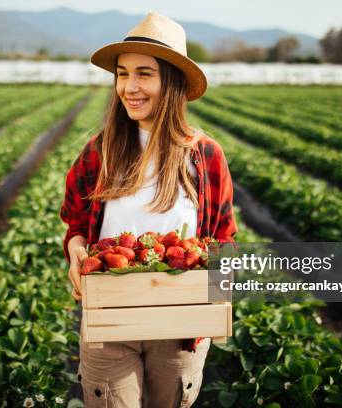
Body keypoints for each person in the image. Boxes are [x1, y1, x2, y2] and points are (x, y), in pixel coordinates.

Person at [60, 11, 237, 408]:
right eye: (123, 74)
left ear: (171, 82)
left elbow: (223, 236)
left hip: (180, 325)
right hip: (110, 320)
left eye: (144, 74)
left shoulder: (203, 155)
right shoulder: (99, 151)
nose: (130, 87)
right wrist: (75, 249)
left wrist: (220, 290)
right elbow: (75, 223)